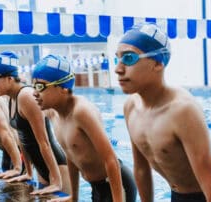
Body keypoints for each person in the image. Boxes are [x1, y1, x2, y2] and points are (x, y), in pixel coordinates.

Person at [115, 22, 211, 202]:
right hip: (177, 196)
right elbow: (141, 169)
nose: (118, 69)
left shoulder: (183, 110)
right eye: (117, 58)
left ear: (157, 63)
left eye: (129, 58)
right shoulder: (130, 107)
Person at [32, 55, 137, 202]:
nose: (34, 93)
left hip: (116, 185)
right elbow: (71, 155)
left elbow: (111, 159)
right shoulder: (53, 114)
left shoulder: (81, 112)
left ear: (63, 88)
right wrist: (74, 196)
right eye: (33, 86)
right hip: (96, 187)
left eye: (40, 86)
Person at [0, 51, 70, 195]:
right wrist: (28, 172)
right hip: (42, 167)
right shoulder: (12, 98)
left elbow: (44, 142)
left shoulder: (26, 96)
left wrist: (56, 180)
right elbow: (22, 138)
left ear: (10, 78)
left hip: (56, 166)